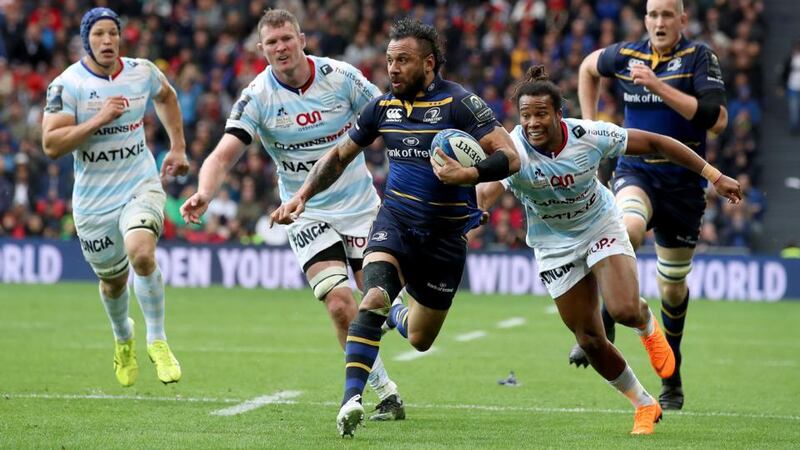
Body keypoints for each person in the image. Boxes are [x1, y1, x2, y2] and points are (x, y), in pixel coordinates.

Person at [270, 18, 521, 438]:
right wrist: (303, 196)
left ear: (429, 62)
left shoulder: (459, 104)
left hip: (444, 239)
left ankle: (399, 315)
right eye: (389, 60)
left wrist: (469, 174)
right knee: (371, 296)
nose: (393, 69)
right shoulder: (381, 108)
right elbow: (339, 156)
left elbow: (510, 158)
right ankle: (352, 399)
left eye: (403, 60)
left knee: (421, 338)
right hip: (395, 223)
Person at [473, 66, 741, 435]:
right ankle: (644, 404)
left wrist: (714, 175)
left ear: (558, 114)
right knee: (590, 340)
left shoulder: (588, 134)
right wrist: (477, 207)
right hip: (553, 246)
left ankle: (645, 322)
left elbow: (658, 143)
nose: (532, 123)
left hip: (600, 225)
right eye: (525, 115)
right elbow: (487, 189)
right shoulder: (512, 148)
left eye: (540, 114)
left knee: (624, 310)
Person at [179, 9, 405, 421]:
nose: (280, 47)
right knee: (340, 305)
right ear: (261, 50)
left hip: (361, 208)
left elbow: (389, 115)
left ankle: (396, 316)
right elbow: (224, 152)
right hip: (303, 211)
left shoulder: (341, 77)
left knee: (378, 301)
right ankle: (383, 391)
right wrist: (204, 192)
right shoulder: (257, 97)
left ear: (302, 39)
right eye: (271, 43)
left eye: (286, 38)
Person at [575, 0, 729, 410]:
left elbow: (716, 119)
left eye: (667, 14)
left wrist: (657, 86)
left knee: (672, 290)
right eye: (653, 14)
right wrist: (591, 127)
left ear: (682, 19)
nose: (660, 21)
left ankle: (672, 375)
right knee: (627, 229)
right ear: (645, 20)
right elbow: (588, 69)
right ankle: (602, 324)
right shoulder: (627, 54)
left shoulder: (699, 57)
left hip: (683, 185)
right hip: (637, 171)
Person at [41, 7, 187, 386]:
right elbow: (51, 144)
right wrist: (97, 120)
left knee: (141, 253)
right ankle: (124, 337)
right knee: (113, 282)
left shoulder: (141, 72)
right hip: (93, 200)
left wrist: (178, 147)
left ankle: (158, 340)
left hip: (139, 183)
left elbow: (167, 96)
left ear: (121, 37)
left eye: (113, 33)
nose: (107, 41)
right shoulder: (67, 85)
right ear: (85, 40)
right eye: (98, 34)